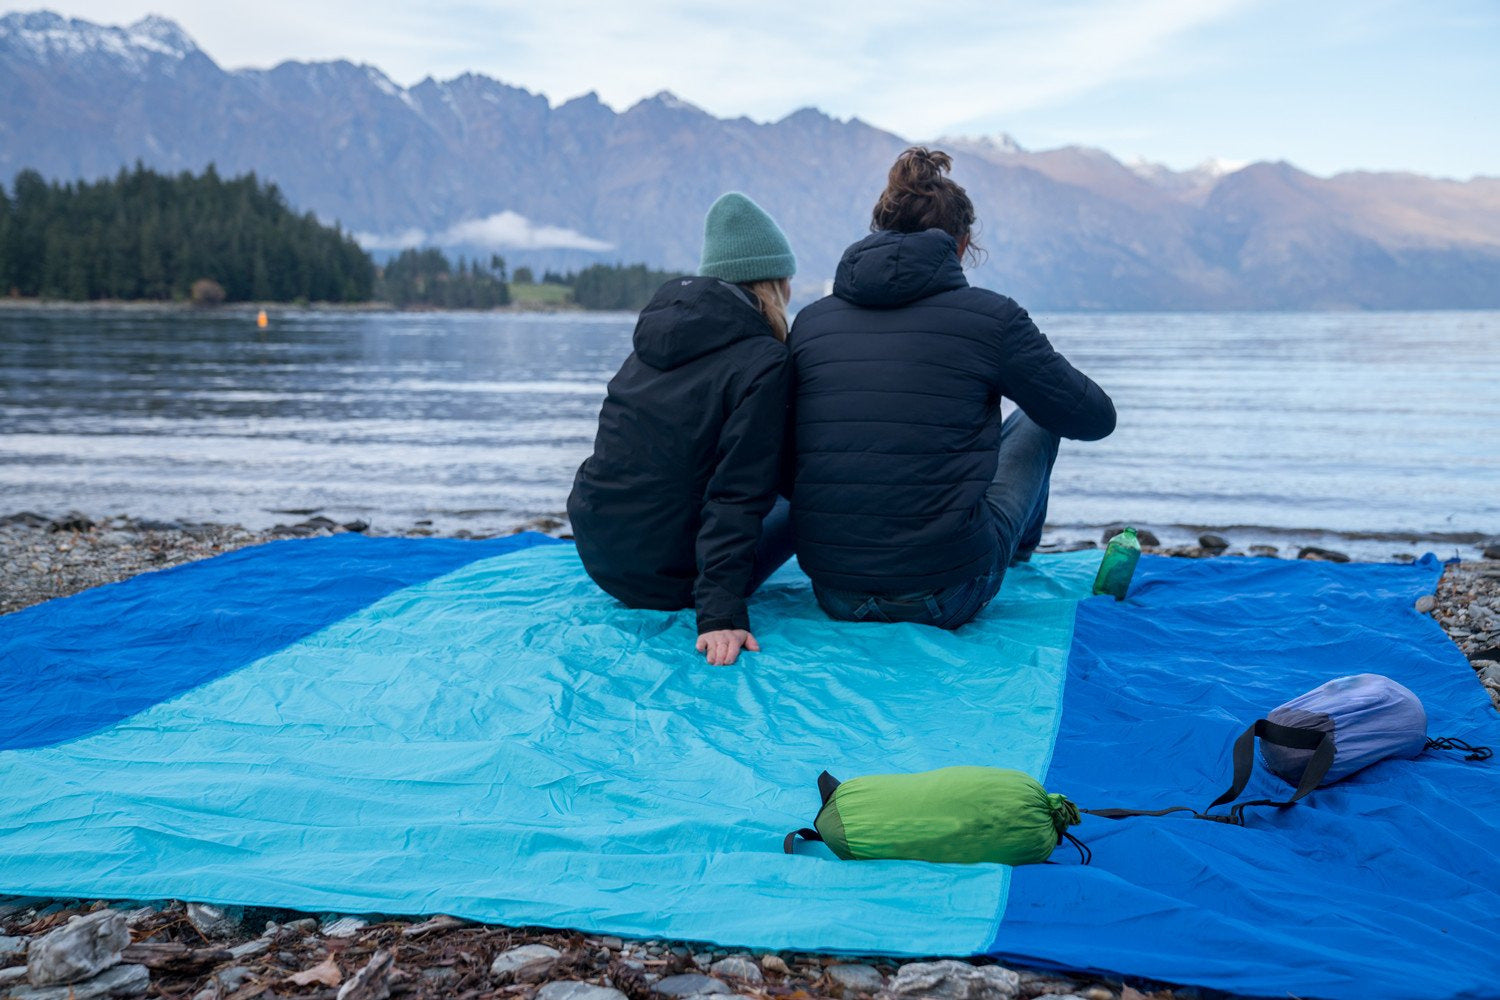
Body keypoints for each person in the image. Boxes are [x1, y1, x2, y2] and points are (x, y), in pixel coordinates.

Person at [787, 147, 1116, 629]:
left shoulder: (812, 323)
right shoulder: (992, 318)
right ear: (961, 245)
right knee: (1037, 418)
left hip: (835, 590)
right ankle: (1018, 555)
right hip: (946, 595)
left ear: (880, 232)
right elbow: (1094, 418)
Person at [568, 192, 796, 665]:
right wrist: (719, 615)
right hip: (669, 578)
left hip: (603, 559)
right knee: (804, 494)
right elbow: (737, 494)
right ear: (775, 282)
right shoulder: (763, 361)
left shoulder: (650, 344)